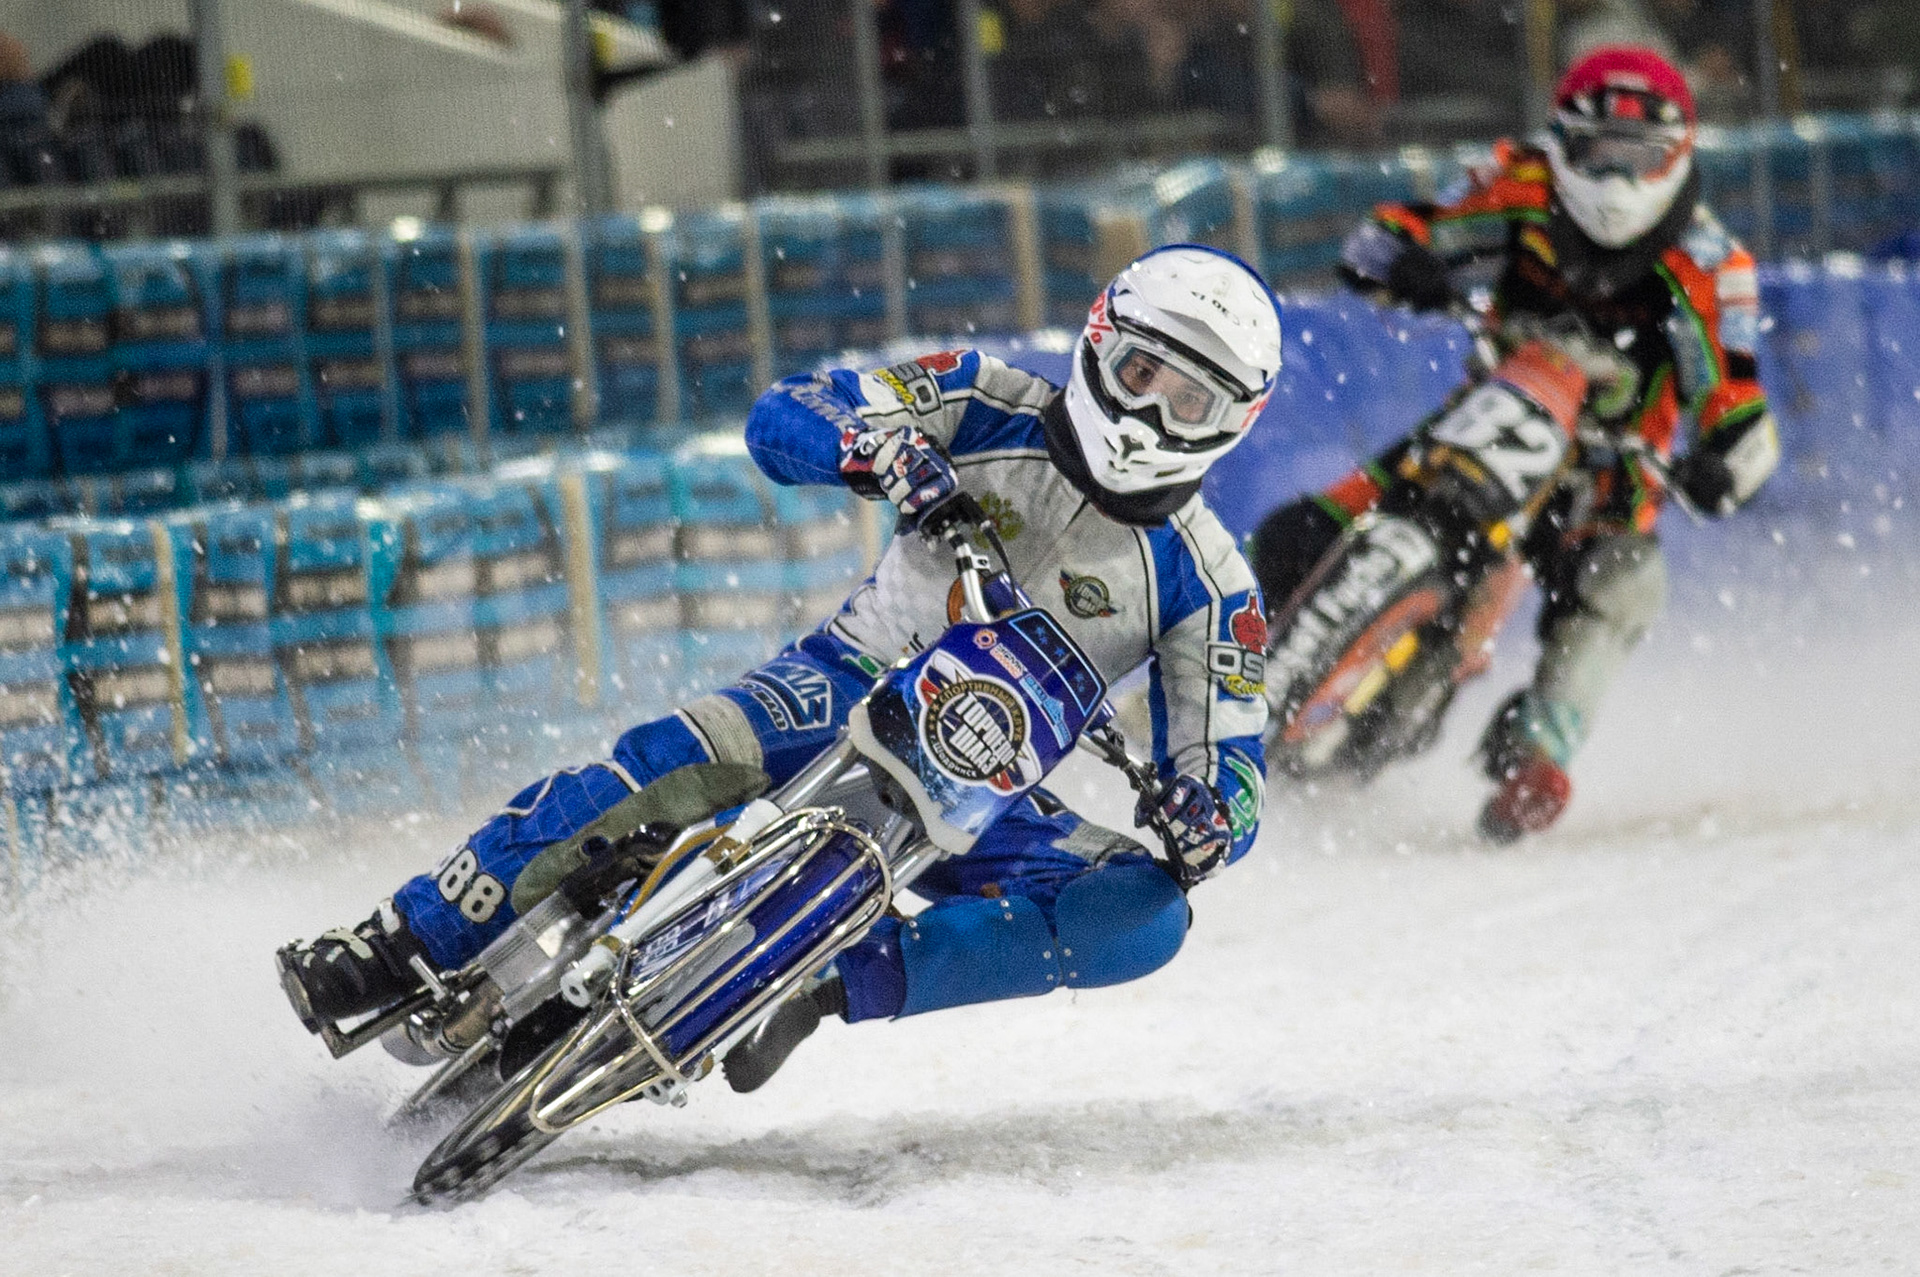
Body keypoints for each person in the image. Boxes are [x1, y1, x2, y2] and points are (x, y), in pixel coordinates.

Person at [281, 244, 1279, 1090]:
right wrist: (869, 452)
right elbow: (787, 408)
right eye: (1140, 373)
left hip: (986, 785)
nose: (1150, 415)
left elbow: (1230, 759)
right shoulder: (980, 396)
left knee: (1146, 914)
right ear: (1098, 343)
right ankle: (399, 942)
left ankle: (824, 980)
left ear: (1233, 421)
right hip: (845, 681)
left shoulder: (1213, 584)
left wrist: (1208, 819)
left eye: (1188, 400)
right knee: (659, 765)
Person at [1249, 46, 1779, 843]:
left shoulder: (1712, 266)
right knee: (1296, 528)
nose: (1617, 177)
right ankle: (1210, 662)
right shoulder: (1517, 180)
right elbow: (1394, 232)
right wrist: (1405, 260)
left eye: (1638, 156)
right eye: (1599, 150)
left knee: (1622, 583)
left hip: (1609, 474)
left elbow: (1738, 400)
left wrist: (1722, 463)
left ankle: (1540, 753)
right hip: (1488, 415)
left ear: (1677, 156)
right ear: (1562, 142)